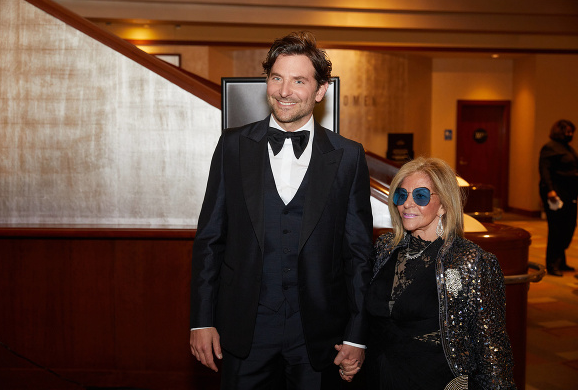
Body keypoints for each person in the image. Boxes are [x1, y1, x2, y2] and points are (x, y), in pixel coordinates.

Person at [189, 31, 373, 389]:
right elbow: (210, 239)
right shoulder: (232, 146)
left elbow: (359, 254)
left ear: (320, 91)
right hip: (244, 330)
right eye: (277, 78)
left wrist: (357, 334)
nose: (284, 91)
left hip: (320, 335)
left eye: (299, 81)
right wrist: (201, 320)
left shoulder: (349, 156)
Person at [345, 157, 515, 389]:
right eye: (401, 195)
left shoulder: (470, 261)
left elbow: (492, 350)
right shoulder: (385, 247)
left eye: (421, 196)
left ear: (444, 204)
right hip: (377, 375)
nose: (407, 204)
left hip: (433, 379)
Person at [539, 119, 578, 277]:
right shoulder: (550, 147)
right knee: (556, 228)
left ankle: (561, 261)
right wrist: (550, 190)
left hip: (570, 193)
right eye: (567, 132)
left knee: (569, 227)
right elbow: (544, 170)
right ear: (559, 132)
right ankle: (552, 263)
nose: (570, 135)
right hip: (556, 194)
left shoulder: (568, 148)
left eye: (571, 132)